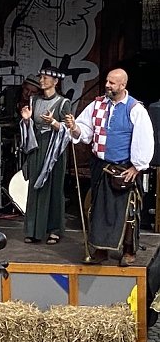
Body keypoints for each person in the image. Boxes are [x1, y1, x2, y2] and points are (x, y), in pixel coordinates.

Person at [65, 68, 155, 266]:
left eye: (112, 83)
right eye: (107, 81)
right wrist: (74, 127)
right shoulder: (97, 105)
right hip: (100, 166)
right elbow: (85, 130)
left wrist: (137, 167)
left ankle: (129, 250)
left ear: (122, 85)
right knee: (99, 211)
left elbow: (144, 139)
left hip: (124, 168)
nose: (107, 85)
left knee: (127, 213)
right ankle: (101, 250)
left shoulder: (135, 109)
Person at [18, 64, 72, 245]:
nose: (41, 80)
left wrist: (55, 123)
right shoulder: (34, 101)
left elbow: (69, 130)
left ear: (55, 81)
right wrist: (26, 121)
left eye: (45, 78)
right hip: (37, 146)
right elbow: (31, 126)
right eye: (41, 77)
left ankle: (54, 229)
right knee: (35, 188)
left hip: (54, 149)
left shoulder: (63, 103)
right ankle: (34, 230)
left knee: (54, 188)